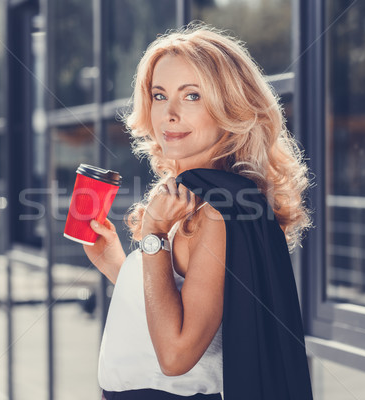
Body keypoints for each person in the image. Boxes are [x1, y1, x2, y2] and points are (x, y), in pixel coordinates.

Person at [83, 23, 314, 400]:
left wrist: (155, 235)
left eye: (192, 96)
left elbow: (176, 357)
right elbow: (175, 305)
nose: (169, 113)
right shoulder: (198, 196)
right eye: (159, 95)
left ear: (229, 106)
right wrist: (117, 265)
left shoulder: (215, 211)